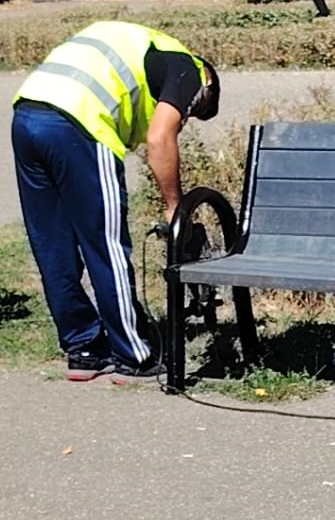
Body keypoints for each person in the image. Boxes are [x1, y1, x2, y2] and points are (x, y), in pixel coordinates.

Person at [11, 21, 220, 383]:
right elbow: (160, 138)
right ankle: (133, 354)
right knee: (106, 245)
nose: (184, 119)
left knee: (52, 244)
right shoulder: (188, 68)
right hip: (82, 121)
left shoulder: (143, 46)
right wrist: (175, 207)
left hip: (27, 113)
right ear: (207, 86)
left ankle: (84, 349)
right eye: (191, 112)